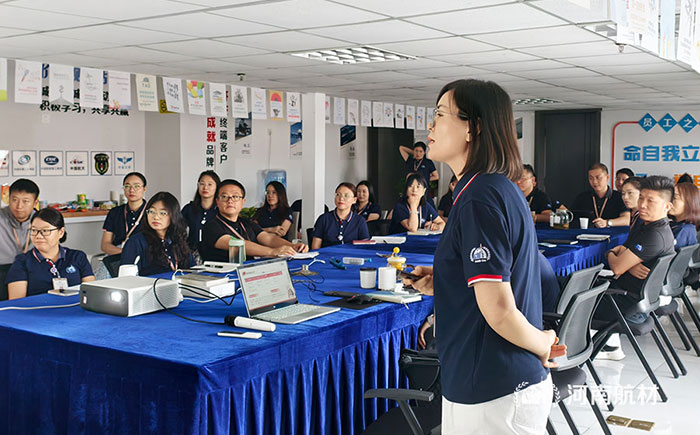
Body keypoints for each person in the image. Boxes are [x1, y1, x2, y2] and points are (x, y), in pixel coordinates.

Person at [405, 79, 562, 434]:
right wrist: (444, 279)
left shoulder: (480, 198)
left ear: (472, 128)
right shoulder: (489, 188)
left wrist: (543, 343)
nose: (430, 126)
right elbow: (496, 278)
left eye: (440, 115)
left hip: (493, 391)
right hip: (489, 384)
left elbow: (500, 310)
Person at [595, 176, 676, 360]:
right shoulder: (649, 226)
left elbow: (617, 266)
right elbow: (624, 253)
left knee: (569, 298)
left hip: (626, 304)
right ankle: (606, 345)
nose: (643, 205)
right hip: (630, 299)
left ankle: (591, 348)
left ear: (667, 206)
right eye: (641, 198)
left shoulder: (655, 235)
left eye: (651, 201)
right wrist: (625, 261)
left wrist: (610, 252)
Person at [200, 179, 308, 262]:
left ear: (243, 201)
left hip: (247, 271)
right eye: (224, 197)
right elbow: (237, 245)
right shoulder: (211, 225)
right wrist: (272, 251)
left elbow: (269, 239)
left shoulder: (246, 222)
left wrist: (292, 246)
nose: (230, 201)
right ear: (217, 201)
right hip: (221, 276)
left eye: (235, 197)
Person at [7, 208, 95, 299]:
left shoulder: (77, 257)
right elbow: (17, 302)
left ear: (61, 232)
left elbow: (92, 294)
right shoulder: (22, 261)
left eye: (45, 231)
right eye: (34, 230)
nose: (38, 236)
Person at [121, 192, 194, 276]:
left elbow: (193, 268)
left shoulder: (176, 239)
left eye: (162, 213)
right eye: (151, 211)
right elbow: (126, 278)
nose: (156, 217)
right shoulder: (136, 242)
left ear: (173, 216)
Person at [0, 179, 39, 300]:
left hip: (34, 269)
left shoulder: (42, 220)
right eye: (14, 200)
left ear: (35, 202)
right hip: (3, 270)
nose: (19, 206)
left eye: (25, 201)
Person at [311, 183, 370, 249]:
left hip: (352, 255)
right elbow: (315, 248)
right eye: (338, 195)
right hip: (327, 255)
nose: (341, 198)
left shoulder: (360, 221)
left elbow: (365, 248)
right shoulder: (323, 219)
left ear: (354, 200)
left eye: (346, 195)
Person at [570, 163, 630, 228]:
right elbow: (572, 216)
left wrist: (607, 222)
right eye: (591, 178)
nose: (594, 182)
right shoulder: (582, 197)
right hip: (588, 233)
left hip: (612, 233)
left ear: (607, 177)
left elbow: (626, 220)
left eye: (598, 178)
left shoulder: (619, 197)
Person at [101, 172, 147, 255]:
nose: (131, 190)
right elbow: (105, 245)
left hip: (144, 257)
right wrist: (126, 253)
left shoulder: (151, 212)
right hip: (119, 255)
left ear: (144, 189)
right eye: (127, 186)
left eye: (137, 186)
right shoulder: (115, 212)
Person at [181, 170, 220, 253]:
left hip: (215, 254)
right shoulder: (189, 208)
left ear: (217, 187)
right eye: (202, 184)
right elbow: (178, 229)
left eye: (210, 184)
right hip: (192, 253)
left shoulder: (220, 210)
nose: (205, 187)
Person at [669, 182, 700, 249]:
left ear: (689, 203)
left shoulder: (685, 230)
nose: (669, 201)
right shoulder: (675, 225)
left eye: (674, 198)